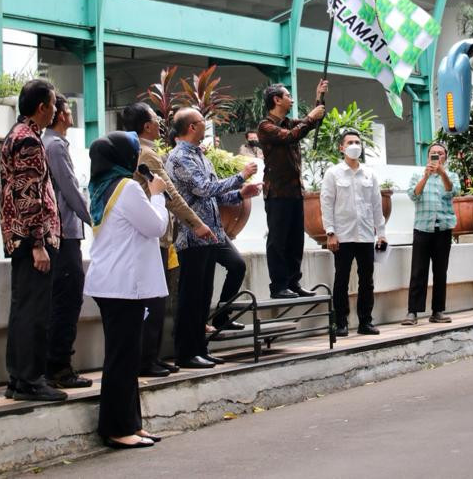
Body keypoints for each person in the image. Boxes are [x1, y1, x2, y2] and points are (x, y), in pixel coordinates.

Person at [84, 131, 168, 449]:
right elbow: (156, 227)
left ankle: (131, 422)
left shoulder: (101, 187)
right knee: (122, 357)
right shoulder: (129, 188)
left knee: (125, 355)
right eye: (133, 152)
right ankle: (117, 428)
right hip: (122, 284)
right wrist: (157, 194)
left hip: (111, 282)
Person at [120, 102, 217, 377]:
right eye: (154, 118)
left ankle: (152, 357)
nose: (159, 123)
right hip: (156, 235)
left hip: (153, 234)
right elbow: (170, 195)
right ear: (147, 125)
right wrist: (197, 224)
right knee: (156, 300)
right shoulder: (147, 154)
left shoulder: (137, 151)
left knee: (157, 299)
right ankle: (150, 359)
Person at [166, 108, 261, 368]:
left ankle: (200, 348)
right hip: (192, 235)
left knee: (204, 295)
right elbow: (203, 189)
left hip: (212, 235)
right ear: (192, 127)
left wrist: (242, 193)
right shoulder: (179, 158)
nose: (205, 126)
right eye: (201, 122)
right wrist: (241, 176)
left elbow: (216, 196)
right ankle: (186, 353)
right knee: (191, 297)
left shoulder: (200, 156)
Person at [0, 78, 67, 402]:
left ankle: (19, 378)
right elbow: (29, 197)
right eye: (53, 104)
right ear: (42, 107)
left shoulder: (17, 135)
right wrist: (39, 243)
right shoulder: (28, 141)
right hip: (31, 240)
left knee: (23, 308)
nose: (55, 109)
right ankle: (30, 379)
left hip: (21, 238)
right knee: (34, 311)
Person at [257, 81, 327, 299]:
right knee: (277, 241)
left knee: (296, 240)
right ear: (277, 100)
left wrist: (319, 97)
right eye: (288, 95)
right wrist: (311, 117)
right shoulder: (265, 126)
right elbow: (291, 136)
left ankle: (293, 283)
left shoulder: (288, 122)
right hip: (277, 194)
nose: (292, 99)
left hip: (296, 193)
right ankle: (278, 286)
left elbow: (313, 123)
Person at [41, 93, 93, 389]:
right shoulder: (56, 146)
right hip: (64, 233)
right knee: (68, 299)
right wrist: (94, 219)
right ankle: (59, 368)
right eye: (68, 109)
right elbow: (71, 190)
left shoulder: (49, 143)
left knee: (61, 299)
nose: (71, 112)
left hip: (59, 233)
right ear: (60, 114)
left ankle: (55, 365)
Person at [321, 129, 386, 337]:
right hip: (343, 235)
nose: (354, 145)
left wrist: (381, 233)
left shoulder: (370, 174)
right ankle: (341, 323)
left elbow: (377, 205)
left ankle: (365, 322)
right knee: (341, 279)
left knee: (367, 280)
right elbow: (326, 203)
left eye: (357, 142)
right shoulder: (333, 173)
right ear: (341, 147)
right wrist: (330, 232)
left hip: (366, 235)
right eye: (350, 142)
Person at [402, 142, 458, 326]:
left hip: (443, 228)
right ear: (428, 157)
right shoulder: (418, 175)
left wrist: (441, 173)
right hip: (422, 228)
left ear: (445, 157)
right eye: (433, 153)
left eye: (440, 153)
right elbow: (413, 195)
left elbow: (453, 191)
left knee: (440, 272)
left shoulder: (451, 176)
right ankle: (412, 312)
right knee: (418, 271)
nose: (436, 156)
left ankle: (437, 311)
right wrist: (425, 177)